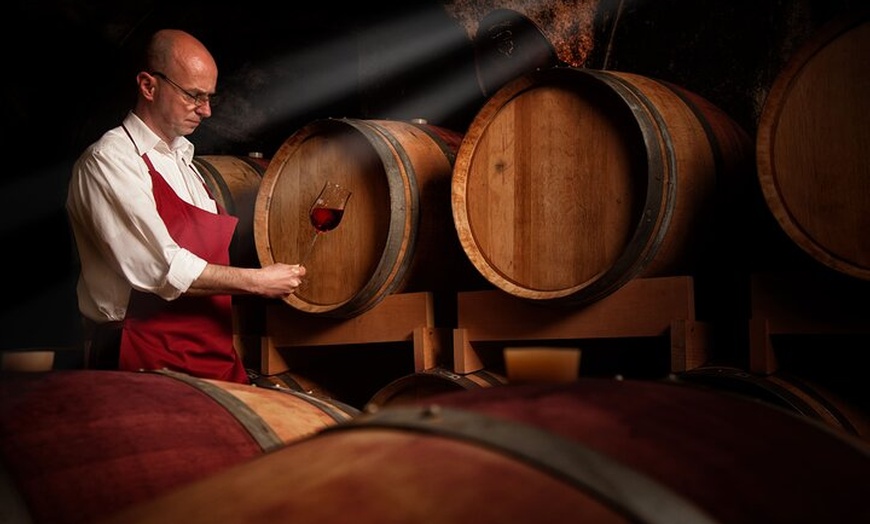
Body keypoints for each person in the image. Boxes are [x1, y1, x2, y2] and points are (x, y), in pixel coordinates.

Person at [66, 28, 305, 384]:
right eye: (194, 96)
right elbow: (161, 267)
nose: (206, 111)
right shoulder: (110, 160)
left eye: (209, 97)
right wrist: (256, 282)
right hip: (143, 356)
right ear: (149, 86)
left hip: (211, 356)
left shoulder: (186, 163)